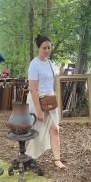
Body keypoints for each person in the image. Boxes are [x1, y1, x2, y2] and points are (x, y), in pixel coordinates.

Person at [26, 34, 66, 169]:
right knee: (35, 132)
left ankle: (57, 159)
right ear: (39, 48)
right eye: (44, 48)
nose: (47, 50)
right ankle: (28, 157)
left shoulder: (50, 63)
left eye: (49, 47)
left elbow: (51, 81)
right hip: (38, 102)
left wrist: (60, 72)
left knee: (55, 130)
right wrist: (38, 110)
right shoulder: (34, 64)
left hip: (49, 101)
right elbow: (32, 89)